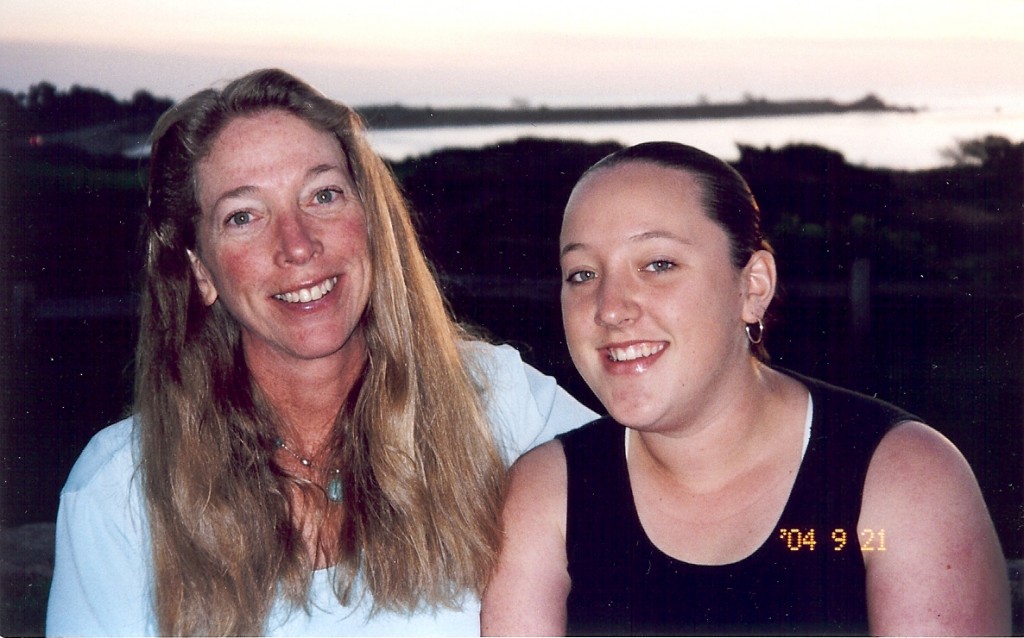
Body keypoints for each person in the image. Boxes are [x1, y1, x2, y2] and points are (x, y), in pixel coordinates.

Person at [46, 68, 596, 636]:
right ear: (200, 270)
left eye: (323, 195)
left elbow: (647, 491)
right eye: (243, 216)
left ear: (371, 220)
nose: (298, 245)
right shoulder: (119, 492)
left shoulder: (499, 402)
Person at [480, 142, 1011, 635]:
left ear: (753, 286)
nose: (610, 309)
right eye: (581, 274)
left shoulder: (903, 480)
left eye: (658, 264)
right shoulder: (546, 496)